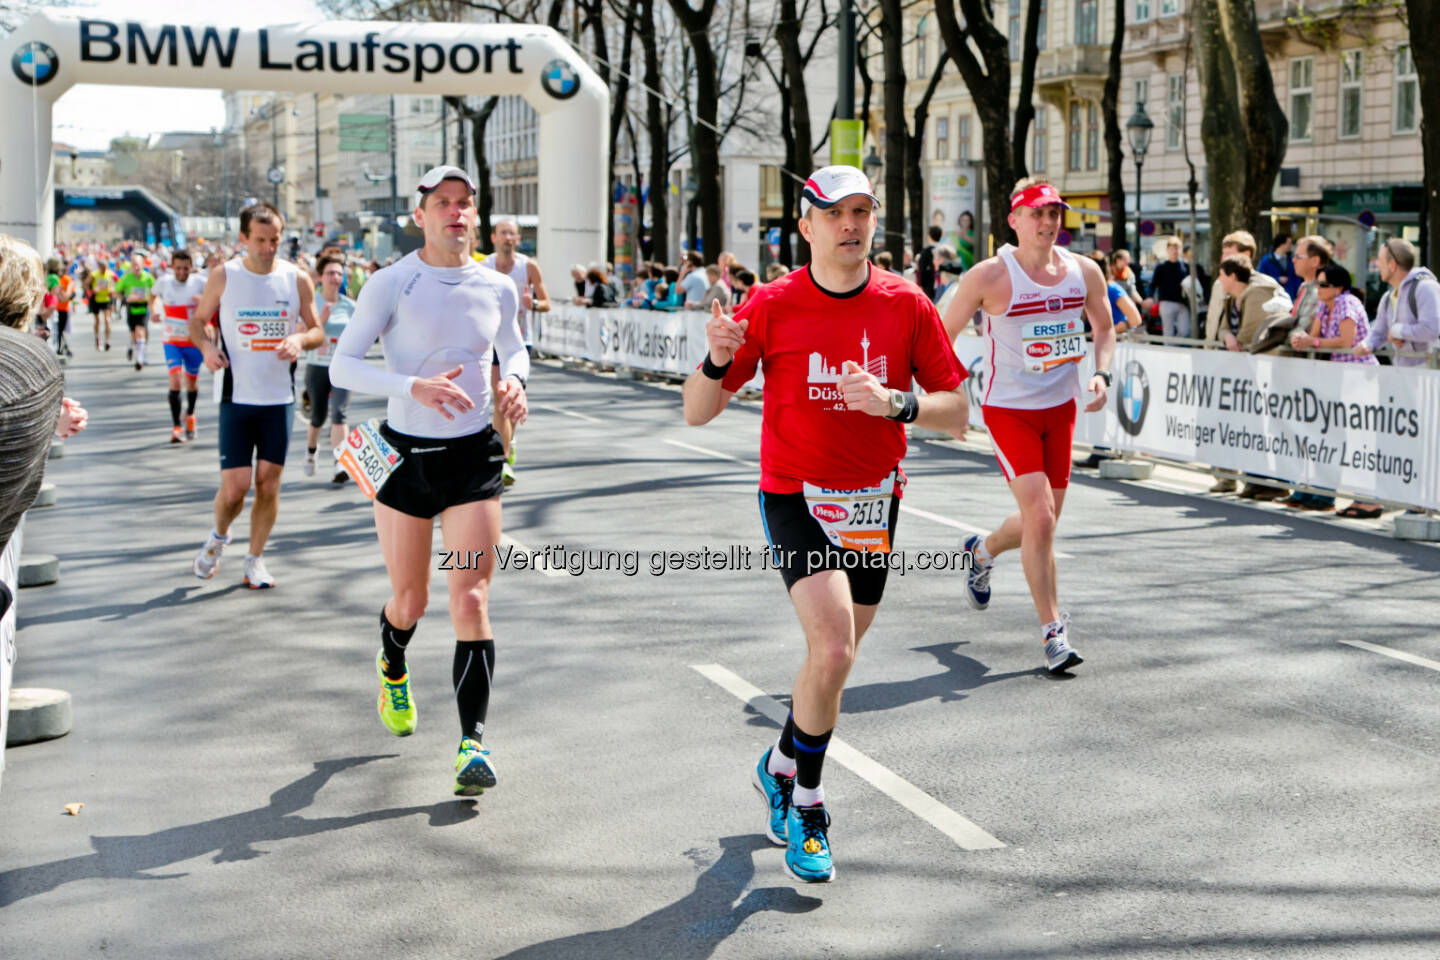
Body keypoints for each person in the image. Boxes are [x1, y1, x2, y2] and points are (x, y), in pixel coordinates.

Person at [682, 165, 969, 884]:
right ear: (805, 225)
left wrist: (896, 405)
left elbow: (957, 412)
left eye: (863, 211)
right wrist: (717, 361)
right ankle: (808, 806)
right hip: (795, 494)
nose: (852, 225)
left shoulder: (905, 303)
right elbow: (696, 411)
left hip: (874, 499)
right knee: (835, 649)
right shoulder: (770, 305)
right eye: (836, 212)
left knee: (830, 663)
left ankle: (780, 763)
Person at [329, 164, 528, 797]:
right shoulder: (392, 283)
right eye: (442, 202)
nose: (455, 212)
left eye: (464, 203)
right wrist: (408, 385)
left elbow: (516, 347)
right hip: (404, 459)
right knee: (410, 602)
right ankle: (392, 661)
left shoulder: (498, 286)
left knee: (470, 598)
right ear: (419, 215)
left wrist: (515, 383)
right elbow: (342, 366)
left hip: (473, 458)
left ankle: (473, 740)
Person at [941, 177, 1114, 673]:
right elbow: (940, 337)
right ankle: (1053, 632)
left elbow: (1103, 328)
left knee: (1045, 520)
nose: (1048, 223)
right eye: (1037, 214)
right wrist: (949, 404)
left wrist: (1100, 374)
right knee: (1040, 519)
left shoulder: (1084, 272)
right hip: (1008, 409)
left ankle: (981, 550)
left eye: (1054, 213)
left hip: (1060, 409)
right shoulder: (990, 276)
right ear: (1014, 220)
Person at [189, 203, 323, 589]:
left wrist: (299, 339)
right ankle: (218, 536)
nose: (268, 248)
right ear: (243, 239)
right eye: (260, 240)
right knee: (235, 489)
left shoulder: (296, 279)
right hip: (236, 396)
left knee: (268, 483)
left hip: (278, 398)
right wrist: (207, 350)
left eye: (275, 240)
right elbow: (198, 322)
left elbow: (316, 330)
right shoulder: (225, 275)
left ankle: (255, 559)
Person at [1286, 263, 1380, 517]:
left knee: (1361, 437)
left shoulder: (1346, 304)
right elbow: (1314, 335)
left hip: (1359, 377)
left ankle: (1369, 498)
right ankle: (1330, 491)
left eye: (1324, 285)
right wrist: (1301, 339)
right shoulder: (1323, 305)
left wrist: (1312, 341)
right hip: (1340, 378)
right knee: (1337, 435)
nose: (1318, 288)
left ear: (1338, 288)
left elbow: (1346, 341)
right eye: (1317, 283)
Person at [480, 218, 551, 487]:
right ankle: (504, 460)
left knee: (509, 402)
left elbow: (547, 303)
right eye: (503, 233)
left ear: (518, 239)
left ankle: (506, 451)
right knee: (501, 402)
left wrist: (531, 303)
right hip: (492, 342)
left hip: (520, 343)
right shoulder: (483, 267)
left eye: (512, 234)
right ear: (494, 237)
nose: (508, 238)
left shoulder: (527, 266)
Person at [300, 254, 355, 481]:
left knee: (340, 414)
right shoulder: (313, 303)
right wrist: (320, 321)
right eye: (330, 273)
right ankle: (311, 452)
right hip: (317, 365)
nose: (335, 277)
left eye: (339, 274)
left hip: (341, 367)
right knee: (318, 416)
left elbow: (359, 335)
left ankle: (340, 463)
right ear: (321, 277)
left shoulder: (350, 306)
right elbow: (302, 334)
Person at [1355, 237, 1440, 367]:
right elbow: (1379, 333)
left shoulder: (1426, 287)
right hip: (1403, 375)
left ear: (1392, 265)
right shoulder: (1388, 297)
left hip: (1429, 377)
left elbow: (1431, 329)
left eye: (1380, 260)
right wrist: (1367, 344)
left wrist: (1396, 331)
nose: (1377, 264)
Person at [152, 250, 206, 443]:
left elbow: (216, 302)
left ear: (191, 268)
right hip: (172, 340)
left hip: (194, 342)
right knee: (175, 381)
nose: (182, 272)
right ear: (171, 267)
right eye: (178, 268)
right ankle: (176, 427)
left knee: (191, 382)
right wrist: (153, 312)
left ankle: (190, 415)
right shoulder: (164, 282)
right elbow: (152, 296)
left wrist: (204, 301)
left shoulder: (200, 282)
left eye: (185, 268)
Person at [117, 254, 155, 371]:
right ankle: (132, 347)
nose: (136, 267)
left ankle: (139, 359)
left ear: (142, 265)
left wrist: (152, 306)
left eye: (138, 265)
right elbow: (117, 291)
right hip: (131, 308)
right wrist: (124, 299)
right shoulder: (126, 278)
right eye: (134, 265)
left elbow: (155, 292)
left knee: (141, 331)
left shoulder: (148, 277)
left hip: (143, 308)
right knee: (134, 334)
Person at [1149, 238, 1190, 341]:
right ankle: (1169, 352)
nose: (1175, 251)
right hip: (1166, 302)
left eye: (1177, 248)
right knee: (1168, 332)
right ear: (1168, 249)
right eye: (1172, 248)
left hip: (1183, 303)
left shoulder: (1185, 266)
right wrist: (1150, 297)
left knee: (1184, 331)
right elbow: (1153, 283)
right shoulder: (1161, 267)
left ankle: (1174, 348)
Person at [1258, 233, 1301, 300]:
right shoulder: (1266, 261)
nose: (1291, 246)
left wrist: (1298, 292)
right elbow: (1261, 279)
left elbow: (1297, 277)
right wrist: (1277, 280)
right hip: (1272, 299)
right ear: (1281, 244)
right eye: (1289, 243)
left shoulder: (1292, 260)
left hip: (1291, 298)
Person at [88, 258, 116, 351]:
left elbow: (118, 282)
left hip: (106, 299)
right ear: (99, 267)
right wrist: (92, 291)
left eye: (105, 267)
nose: (104, 269)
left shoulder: (110, 274)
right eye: (102, 268)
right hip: (96, 299)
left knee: (107, 320)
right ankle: (97, 338)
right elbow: (86, 284)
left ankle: (107, 341)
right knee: (97, 320)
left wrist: (113, 289)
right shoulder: (94, 274)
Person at [915, 224, 944, 301]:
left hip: (929, 288)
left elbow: (922, 271)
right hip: (944, 285)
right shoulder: (945, 251)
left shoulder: (925, 252)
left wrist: (921, 285)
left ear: (929, 236)